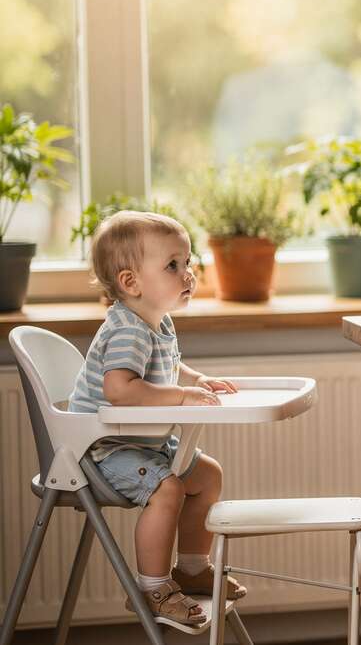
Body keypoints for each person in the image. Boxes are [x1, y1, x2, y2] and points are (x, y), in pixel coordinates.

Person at [69, 211, 246, 626]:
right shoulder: (127, 329)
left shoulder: (156, 321)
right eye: (173, 265)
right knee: (167, 491)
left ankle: (191, 566)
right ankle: (151, 587)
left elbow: (165, 369)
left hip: (140, 441)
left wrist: (198, 379)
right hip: (102, 450)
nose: (188, 274)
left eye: (188, 262)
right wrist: (183, 396)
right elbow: (121, 389)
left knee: (207, 476)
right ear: (131, 282)